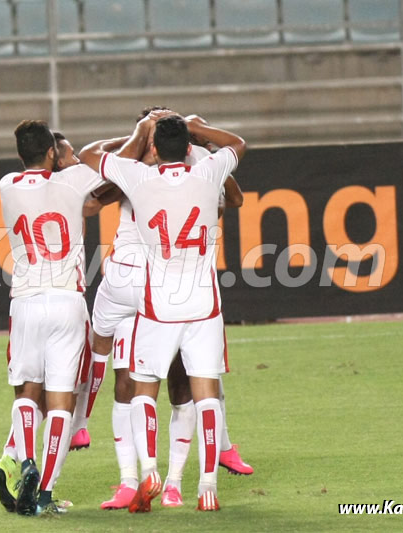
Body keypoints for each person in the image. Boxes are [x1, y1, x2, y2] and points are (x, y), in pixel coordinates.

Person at [80, 113, 246, 512]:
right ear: (188, 146)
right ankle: (207, 486)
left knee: (143, 389)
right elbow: (237, 144)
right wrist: (199, 127)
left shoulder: (139, 177)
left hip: (158, 306)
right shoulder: (207, 172)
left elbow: (88, 155)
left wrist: (139, 132)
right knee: (205, 395)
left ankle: (149, 467)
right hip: (204, 304)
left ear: (154, 148)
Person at [0, 120, 104, 516]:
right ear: (52, 154)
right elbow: (108, 159)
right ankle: (44, 495)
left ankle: (26, 464)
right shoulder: (72, 182)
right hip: (67, 301)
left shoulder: (7, 184)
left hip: (26, 301)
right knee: (61, 403)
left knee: (27, 391)